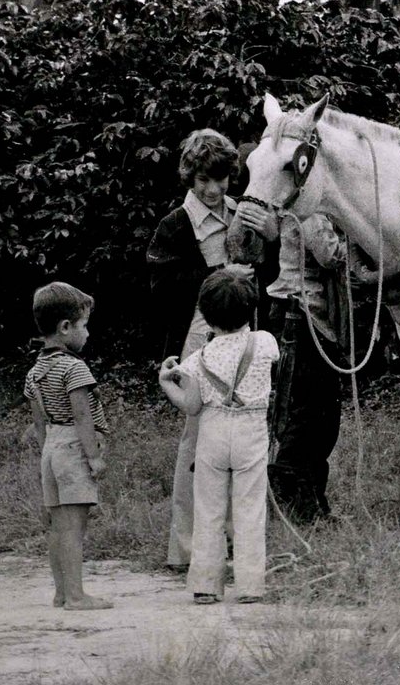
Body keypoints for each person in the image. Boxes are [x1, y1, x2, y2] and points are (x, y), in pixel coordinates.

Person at [146, 129, 277, 571]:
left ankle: (238, 544)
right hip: (196, 343)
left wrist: (270, 239)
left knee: (244, 440)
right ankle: (186, 551)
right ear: (189, 177)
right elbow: (161, 288)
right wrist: (222, 272)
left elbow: (270, 275)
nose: (213, 189)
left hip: (244, 344)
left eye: (221, 179)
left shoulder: (244, 214)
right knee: (198, 444)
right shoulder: (175, 225)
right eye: (204, 180)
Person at [158, 268, 278, 604]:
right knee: (249, 508)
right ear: (251, 309)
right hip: (250, 432)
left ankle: (205, 585)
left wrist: (166, 383)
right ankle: (251, 585)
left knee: (208, 509)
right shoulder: (265, 342)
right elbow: (275, 361)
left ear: (206, 316)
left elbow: (192, 406)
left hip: (212, 432)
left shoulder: (197, 359)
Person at [253, 207, 347, 523]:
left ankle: (310, 498)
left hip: (310, 317)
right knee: (309, 411)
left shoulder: (302, 209)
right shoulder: (308, 212)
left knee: (322, 415)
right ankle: (290, 497)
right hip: (300, 315)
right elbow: (329, 255)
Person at [23, 281, 112, 611]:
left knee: (59, 528)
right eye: (84, 326)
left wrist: (48, 453)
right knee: (75, 528)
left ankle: (61, 592)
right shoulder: (74, 367)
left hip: (51, 449)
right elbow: (82, 416)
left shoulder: (36, 371)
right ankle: (77, 596)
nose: (87, 334)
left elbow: (38, 422)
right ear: (65, 328)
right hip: (74, 446)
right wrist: (93, 457)